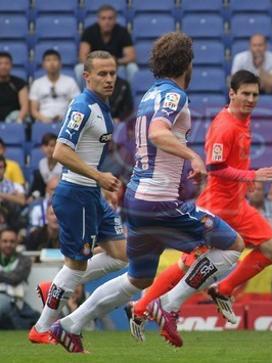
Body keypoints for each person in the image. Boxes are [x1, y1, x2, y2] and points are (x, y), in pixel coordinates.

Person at [49, 33, 243, 353]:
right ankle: (168, 304)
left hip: (137, 200)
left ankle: (69, 324)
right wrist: (192, 156)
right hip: (160, 201)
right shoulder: (174, 95)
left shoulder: (150, 94)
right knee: (233, 245)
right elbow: (157, 133)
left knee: (137, 279)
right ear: (186, 64)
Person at [126, 70, 272, 329]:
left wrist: (246, 179)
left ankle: (223, 290)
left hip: (238, 206)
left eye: (255, 94)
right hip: (217, 206)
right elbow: (215, 167)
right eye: (245, 93)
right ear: (232, 93)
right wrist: (251, 174)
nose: (251, 99)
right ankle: (140, 307)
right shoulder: (224, 126)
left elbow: (232, 162)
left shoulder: (244, 120)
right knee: (189, 264)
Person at [28, 50, 129, 345]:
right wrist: (98, 177)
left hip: (91, 194)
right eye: (102, 74)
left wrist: (99, 184)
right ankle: (42, 328)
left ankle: (55, 285)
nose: (109, 79)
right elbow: (60, 151)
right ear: (87, 76)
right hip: (76, 194)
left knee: (121, 255)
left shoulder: (102, 106)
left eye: (112, 73)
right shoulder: (83, 106)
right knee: (77, 265)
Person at [75, 5, 137, 87]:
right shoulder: (89, 32)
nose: (107, 21)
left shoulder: (123, 32)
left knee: (132, 68)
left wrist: (117, 61)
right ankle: (83, 97)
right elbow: (82, 56)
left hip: (117, 65)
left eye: (110, 18)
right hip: (95, 65)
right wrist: (98, 63)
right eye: (103, 18)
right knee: (79, 68)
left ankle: (128, 96)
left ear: (115, 20)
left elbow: (131, 56)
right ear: (98, 20)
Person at [29, 49, 81, 123]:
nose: (52, 63)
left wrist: (65, 117)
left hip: (66, 121)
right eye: (48, 60)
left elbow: (76, 105)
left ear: (60, 64)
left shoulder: (70, 82)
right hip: (42, 121)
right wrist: (44, 119)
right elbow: (33, 110)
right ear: (43, 65)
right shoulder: (37, 83)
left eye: (55, 60)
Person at [0, 229, 36, 330]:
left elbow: (15, 278)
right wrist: (8, 276)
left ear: (17, 243)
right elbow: (12, 277)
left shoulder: (25, 260)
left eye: (12, 241)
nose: (8, 244)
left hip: (14, 301)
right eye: (5, 241)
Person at [28, 133, 63, 199]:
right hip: (46, 196)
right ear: (42, 148)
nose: (49, 148)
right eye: (46, 145)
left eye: (52, 145)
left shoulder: (63, 164)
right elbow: (41, 185)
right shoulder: (42, 163)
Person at [0, 52, 28, 123]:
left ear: (11, 65)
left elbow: (25, 106)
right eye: (0, 63)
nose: (3, 66)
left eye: (6, 63)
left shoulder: (19, 83)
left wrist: (18, 121)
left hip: (14, 119)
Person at [0, 156, 26, 231]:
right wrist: (11, 196)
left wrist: (3, 195)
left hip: (10, 220)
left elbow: (22, 201)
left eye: (0, 167)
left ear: (4, 169)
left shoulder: (15, 185)